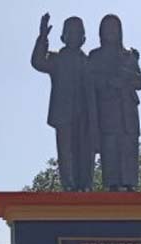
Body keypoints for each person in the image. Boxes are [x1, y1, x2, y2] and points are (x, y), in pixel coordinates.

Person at [31, 13, 99, 191]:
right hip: (63, 114)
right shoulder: (56, 59)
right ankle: (69, 186)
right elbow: (38, 62)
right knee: (66, 152)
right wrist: (43, 37)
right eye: (71, 32)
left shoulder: (89, 61)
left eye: (79, 32)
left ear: (84, 38)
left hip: (86, 114)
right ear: (62, 37)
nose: (75, 36)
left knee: (86, 152)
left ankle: (86, 185)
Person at [88, 14, 141, 192]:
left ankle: (129, 184)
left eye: (114, 28)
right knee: (110, 146)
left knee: (129, 146)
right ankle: (112, 184)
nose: (111, 32)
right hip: (107, 109)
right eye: (107, 28)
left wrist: (127, 76)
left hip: (127, 109)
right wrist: (109, 83)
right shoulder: (95, 55)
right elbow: (91, 81)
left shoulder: (128, 55)